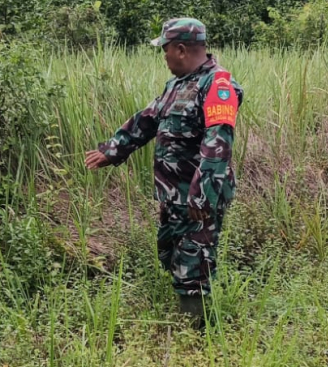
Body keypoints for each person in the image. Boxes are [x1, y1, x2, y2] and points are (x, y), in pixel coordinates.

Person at [84, 18, 243, 327]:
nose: (164, 56)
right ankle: (189, 315)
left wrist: (202, 194)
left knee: (193, 264)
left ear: (180, 49)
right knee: (169, 253)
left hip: (198, 197)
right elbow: (146, 121)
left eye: (165, 49)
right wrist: (112, 151)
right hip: (173, 195)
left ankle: (196, 334)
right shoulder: (176, 85)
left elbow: (218, 143)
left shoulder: (217, 85)